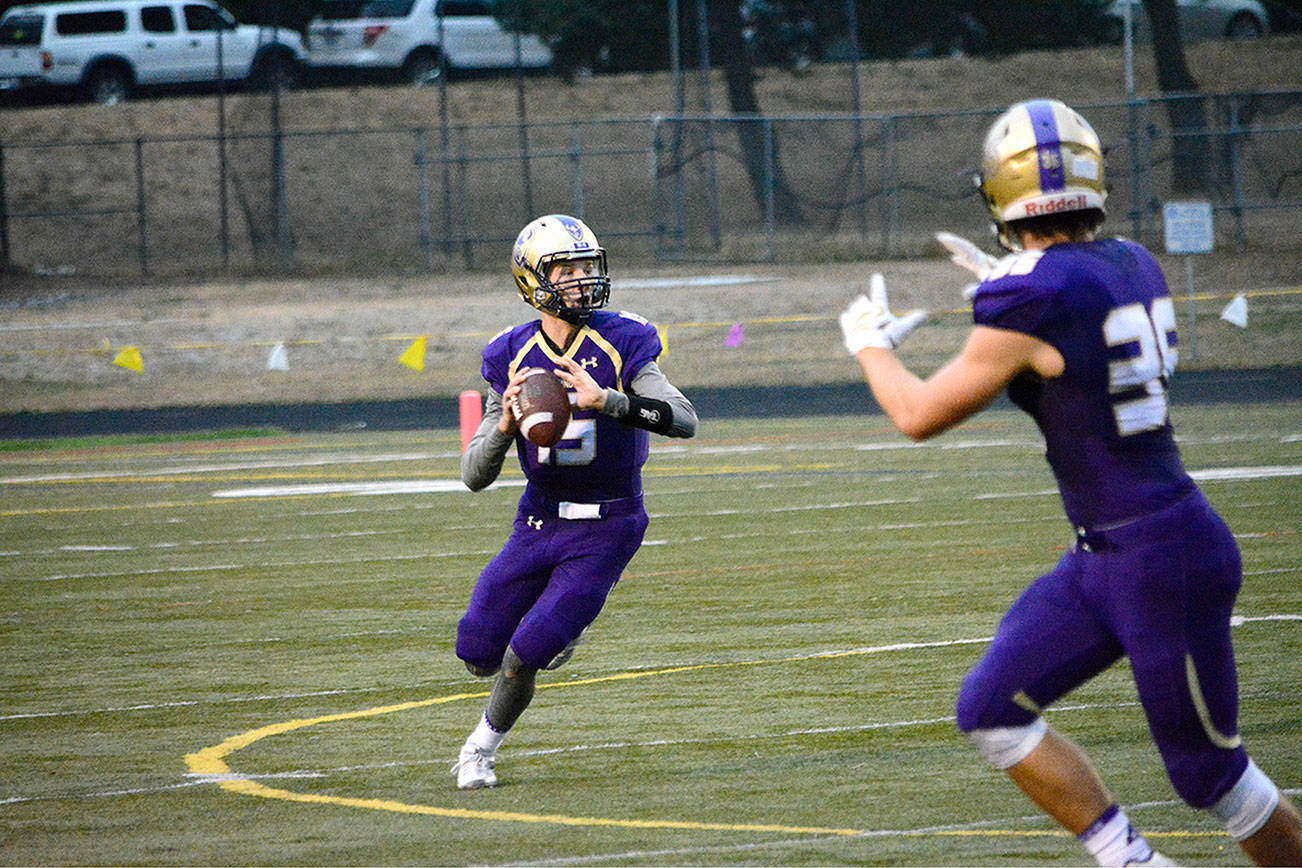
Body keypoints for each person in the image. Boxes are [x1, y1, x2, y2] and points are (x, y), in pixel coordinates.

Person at [838, 98, 1302, 866]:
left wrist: (868, 346)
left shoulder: (1032, 294)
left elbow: (918, 413)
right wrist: (1019, 280)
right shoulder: (1132, 262)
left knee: (1211, 777)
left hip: (1161, 558)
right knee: (992, 711)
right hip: (1109, 555)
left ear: (999, 195)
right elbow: (1075, 316)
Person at [451, 213, 697, 790]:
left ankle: (478, 752)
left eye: (589, 267)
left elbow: (684, 419)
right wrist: (505, 424)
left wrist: (610, 401)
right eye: (568, 270)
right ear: (533, 280)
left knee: (525, 653)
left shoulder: (625, 338)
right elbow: (473, 474)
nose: (584, 280)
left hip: (609, 522)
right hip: (537, 520)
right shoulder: (508, 352)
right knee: (478, 651)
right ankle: (562, 623)